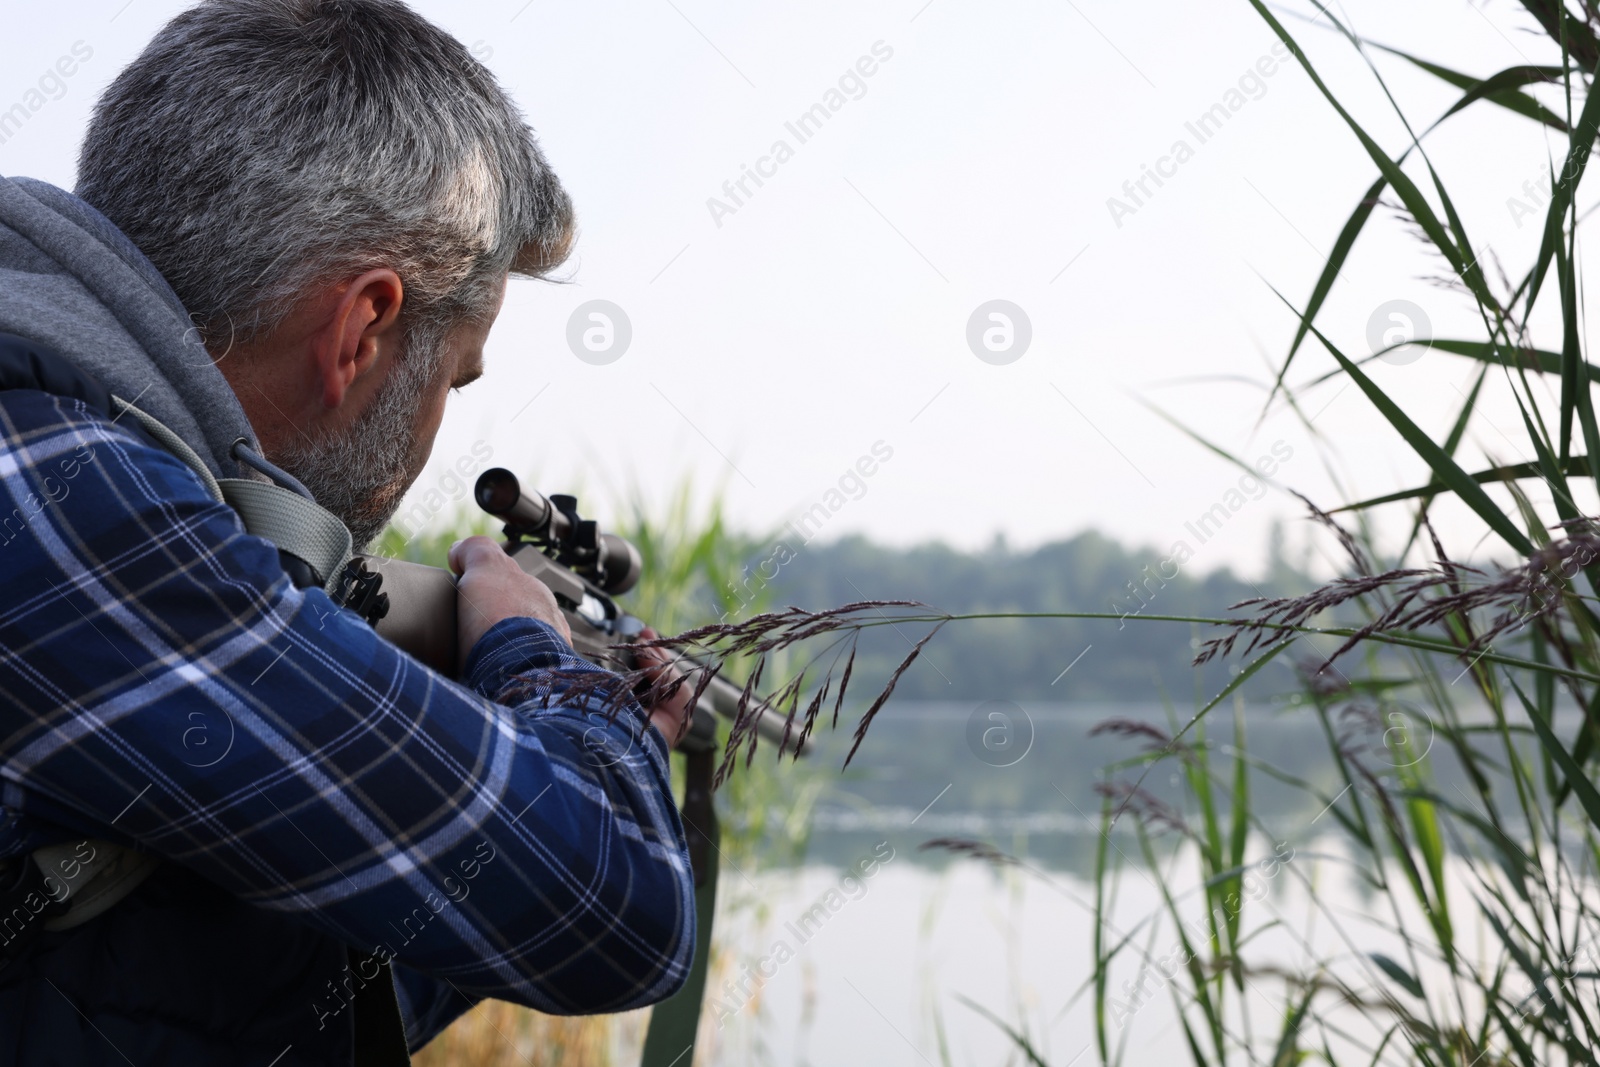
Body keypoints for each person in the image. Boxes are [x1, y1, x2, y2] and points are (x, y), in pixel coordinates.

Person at [0, 1, 696, 1063]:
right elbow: (617, 905)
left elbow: (217, 998)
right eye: (454, 376)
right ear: (361, 328)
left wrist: (474, 729)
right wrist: (534, 659)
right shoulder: (63, 493)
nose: (438, 421)